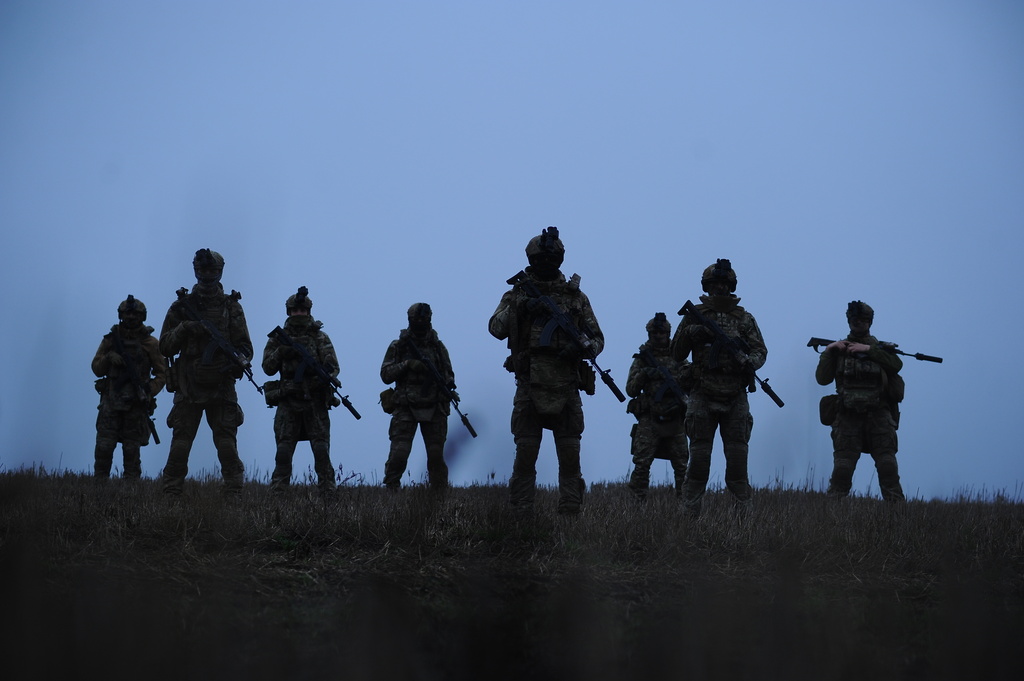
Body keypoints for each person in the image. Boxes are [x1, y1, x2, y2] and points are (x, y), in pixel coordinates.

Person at [488, 226, 605, 515]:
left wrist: (579, 348)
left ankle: (570, 513)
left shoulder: (575, 297)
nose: (546, 264)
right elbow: (496, 328)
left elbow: (597, 340)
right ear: (531, 260)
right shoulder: (516, 294)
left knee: (570, 456)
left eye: (552, 259)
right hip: (530, 383)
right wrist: (523, 306)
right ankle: (521, 514)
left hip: (566, 385)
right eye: (541, 259)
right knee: (526, 454)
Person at [671, 258, 767, 517]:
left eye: (724, 284)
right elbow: (676, 353)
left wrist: (749, 361)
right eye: (715, 284)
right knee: (699, 461)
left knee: (737, 463)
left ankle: (743, 520)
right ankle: (688, 518)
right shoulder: (695, 316)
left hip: (735, 394)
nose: (720, 288)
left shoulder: (744, 318)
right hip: (702, 393)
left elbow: (760, 351)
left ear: (731, 286)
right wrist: (692, 333)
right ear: (707, 286)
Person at [158, 248, 254, 496]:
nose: (207, 274)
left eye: (212, 270)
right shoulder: (181, 307)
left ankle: (233, 494)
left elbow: (245, 348)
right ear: (196, 270)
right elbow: (165, 346)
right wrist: (185, 329)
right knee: (180, 445)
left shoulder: (231, 307)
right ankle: (171, 494)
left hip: (221, 385)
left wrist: (233, 363)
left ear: (220, 272)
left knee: (226, 445)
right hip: (188, 385)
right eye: (202, 269)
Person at [814, 301, 905, 502]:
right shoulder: (839, 348)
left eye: (863, 320)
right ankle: (830, 515)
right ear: (849, 321)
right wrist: (829, 352)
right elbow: (822, 379)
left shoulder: (881, 349)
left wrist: (870, 350)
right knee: (842, 471)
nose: (858, 323)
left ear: (870, 322)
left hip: (879, 417)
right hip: (847, 418)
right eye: (854, 320)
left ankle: (898, 514)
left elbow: (896, 365)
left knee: (888, 468)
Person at [262, 287, 341, 495]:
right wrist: (281, 352)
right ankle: (278, 494)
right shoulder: (278, 339)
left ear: (308, 312)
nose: (299, 314)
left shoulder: (319, 337)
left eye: (303, 311)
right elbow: (267, 368)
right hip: (288, 399)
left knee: (321, 451)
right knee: (283, 451)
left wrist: (318, 377)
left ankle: (328, 493)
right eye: (295, 311)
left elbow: (333, 367)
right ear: (289, 312)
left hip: (314, 400)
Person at [380, 302, 457, 490]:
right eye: (418, 319)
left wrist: (448, 387)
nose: (421, 322)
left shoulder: (437, 347)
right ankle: (391, 491)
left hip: (434, 406)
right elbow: (385, 374)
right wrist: (407, 365)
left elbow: (448, 374)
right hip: (406, 406)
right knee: (399, 454)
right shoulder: (399, 346)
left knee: (436, 456)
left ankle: (438, 496)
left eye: (425, 319)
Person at [91, 295, 166, 479]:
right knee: (104, 447)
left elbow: (162, 373)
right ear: (121, 315)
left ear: (142, 316)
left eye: (135, 314)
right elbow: (96, 369)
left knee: (131, 450)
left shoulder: (150, 343)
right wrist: (109, 358)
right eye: (127, 314)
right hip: (111, 402)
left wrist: (148, 390)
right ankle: (99, 487)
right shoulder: (110, 341)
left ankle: (131, 490)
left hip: (136, 404)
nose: (131, 317)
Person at [625, 312, 690, 501]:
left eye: (662, 333)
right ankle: (636, 505)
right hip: (650, 416)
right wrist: (645, 374)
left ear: (668, 334)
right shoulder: (642, 358)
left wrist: (675, 379)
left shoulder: (678, 356)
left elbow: (690, 381)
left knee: (682, 465)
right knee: (641, 462)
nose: (658, 336)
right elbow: (630, 389)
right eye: (655, 333)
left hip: (675, 415)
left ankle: (686, 506)